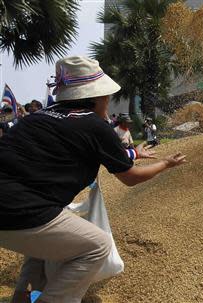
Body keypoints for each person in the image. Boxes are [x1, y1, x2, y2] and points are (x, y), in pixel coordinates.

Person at [0, 56, 187, 303]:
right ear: (97, 97)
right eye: (106, 98)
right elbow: (130, 178)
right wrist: (165, 163)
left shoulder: (38, 117)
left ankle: (21, 297)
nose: (108, 104)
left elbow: (98, 150)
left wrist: (134, 153)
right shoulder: (94, 125)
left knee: (44, 240)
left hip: (13, 214)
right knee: (97, 245)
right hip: (19, 212)